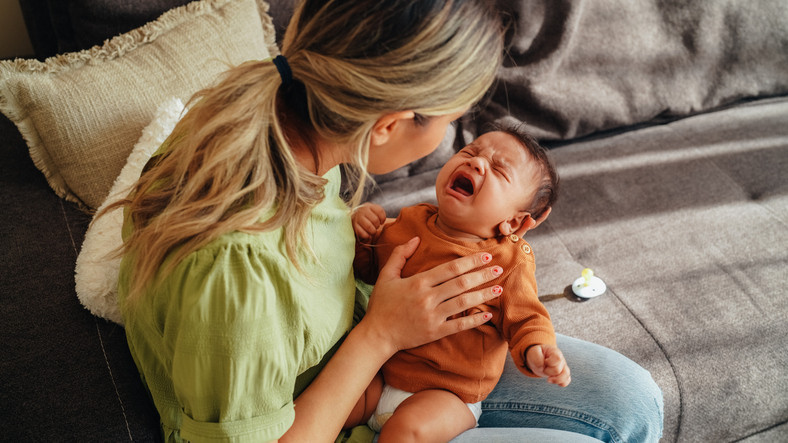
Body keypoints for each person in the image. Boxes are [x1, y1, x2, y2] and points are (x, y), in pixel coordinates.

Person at [107, 0, 663, 441]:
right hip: (336, 402)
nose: (456, 148)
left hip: (405, 350)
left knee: (635, 398)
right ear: (390, 125)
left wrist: (367, 249)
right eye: (452, 126)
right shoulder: (235, 275)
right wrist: (381, 334)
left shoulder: (291, 123)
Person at [348, 126, 569, 442]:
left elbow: (527, 317)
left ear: (514, 222)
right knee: (340, 401)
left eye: (498, 169)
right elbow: (370, 272)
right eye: (470, 152)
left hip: (447, 393)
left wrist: (538, 349)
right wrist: (363, 235)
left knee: (405, 431)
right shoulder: (411, 221)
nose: (477, 163)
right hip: (381, 372)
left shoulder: (508, 262)